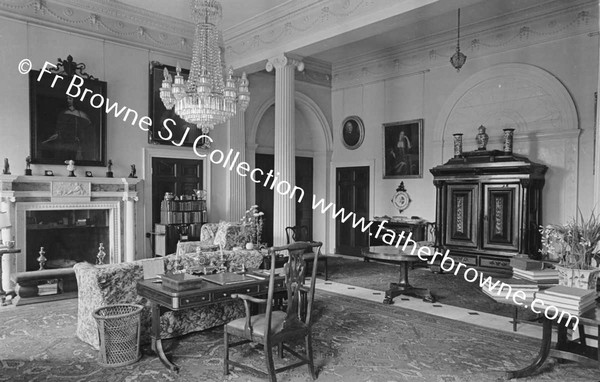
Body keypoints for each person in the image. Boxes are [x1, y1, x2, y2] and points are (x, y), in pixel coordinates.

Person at [42, 96, 93, 161]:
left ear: (74, 100)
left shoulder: (80, 114)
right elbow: (59, 129)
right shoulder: (62, 113)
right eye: (67, 99)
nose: (68, 100)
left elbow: (84, 128)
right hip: (63, 143)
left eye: (70, 99)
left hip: (74, 143)